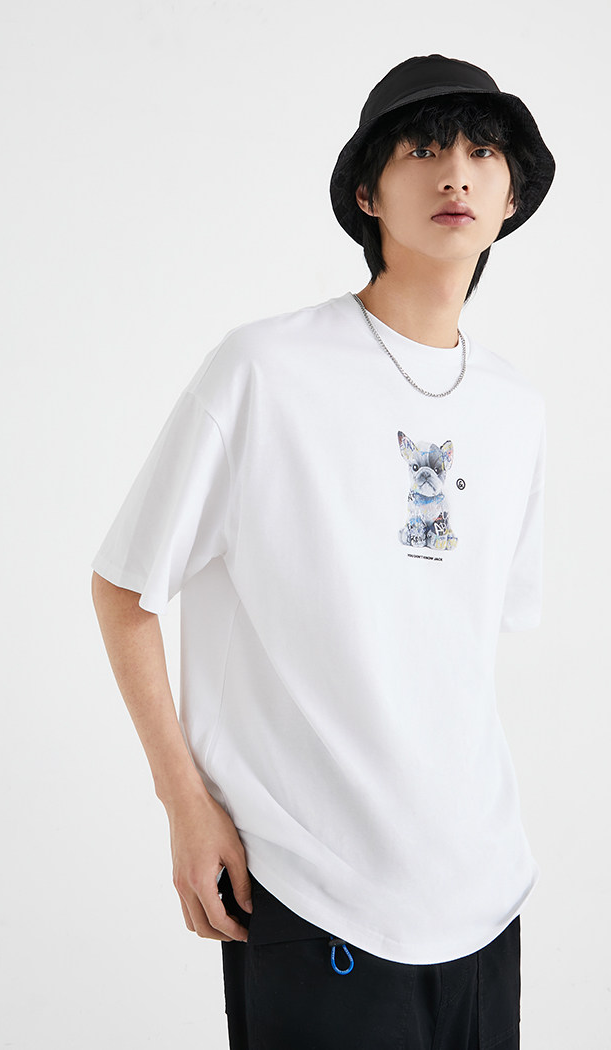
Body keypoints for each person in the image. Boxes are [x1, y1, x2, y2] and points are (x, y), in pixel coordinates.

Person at [91, 53, 555, 1050]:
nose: (456, 174)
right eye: (423, 150)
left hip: (483, 896)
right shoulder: (266, 370)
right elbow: (124, 587)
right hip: (314, 892)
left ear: (512, 197)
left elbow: (462, 641)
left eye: (484, 153)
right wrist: (185, 804)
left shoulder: (516, 408)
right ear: (366, 193)